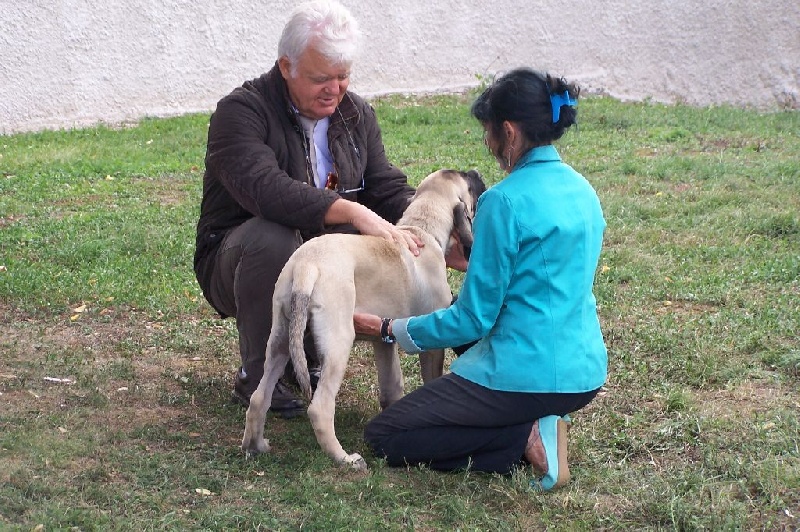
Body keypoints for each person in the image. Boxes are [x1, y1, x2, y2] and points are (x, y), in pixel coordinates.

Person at [353, 68, 608, 490]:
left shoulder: (503, 201)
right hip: (583, 373)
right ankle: (528, 419)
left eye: (488, 133)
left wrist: (388, 328)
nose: (487, 145)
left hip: (528, 376)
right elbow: (547, 274)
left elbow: (473, 320)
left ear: (509, 132)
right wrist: (479, 264)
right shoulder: (583, 190)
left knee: (385, 434)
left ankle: (522, 435)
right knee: (456, 311)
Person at [194, 0, 423, 417]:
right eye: (321, 78)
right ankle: (259, 376)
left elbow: (384, 187)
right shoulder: (240, 112)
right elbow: (266, 190)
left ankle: (311, 358)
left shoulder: (355, 113)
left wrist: (425, 223)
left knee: (356, 240)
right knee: (273, 237)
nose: (335, 89)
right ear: (287, 66)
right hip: (237, 260)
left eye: (343, 76)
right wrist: (351, 211)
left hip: (319, 257)